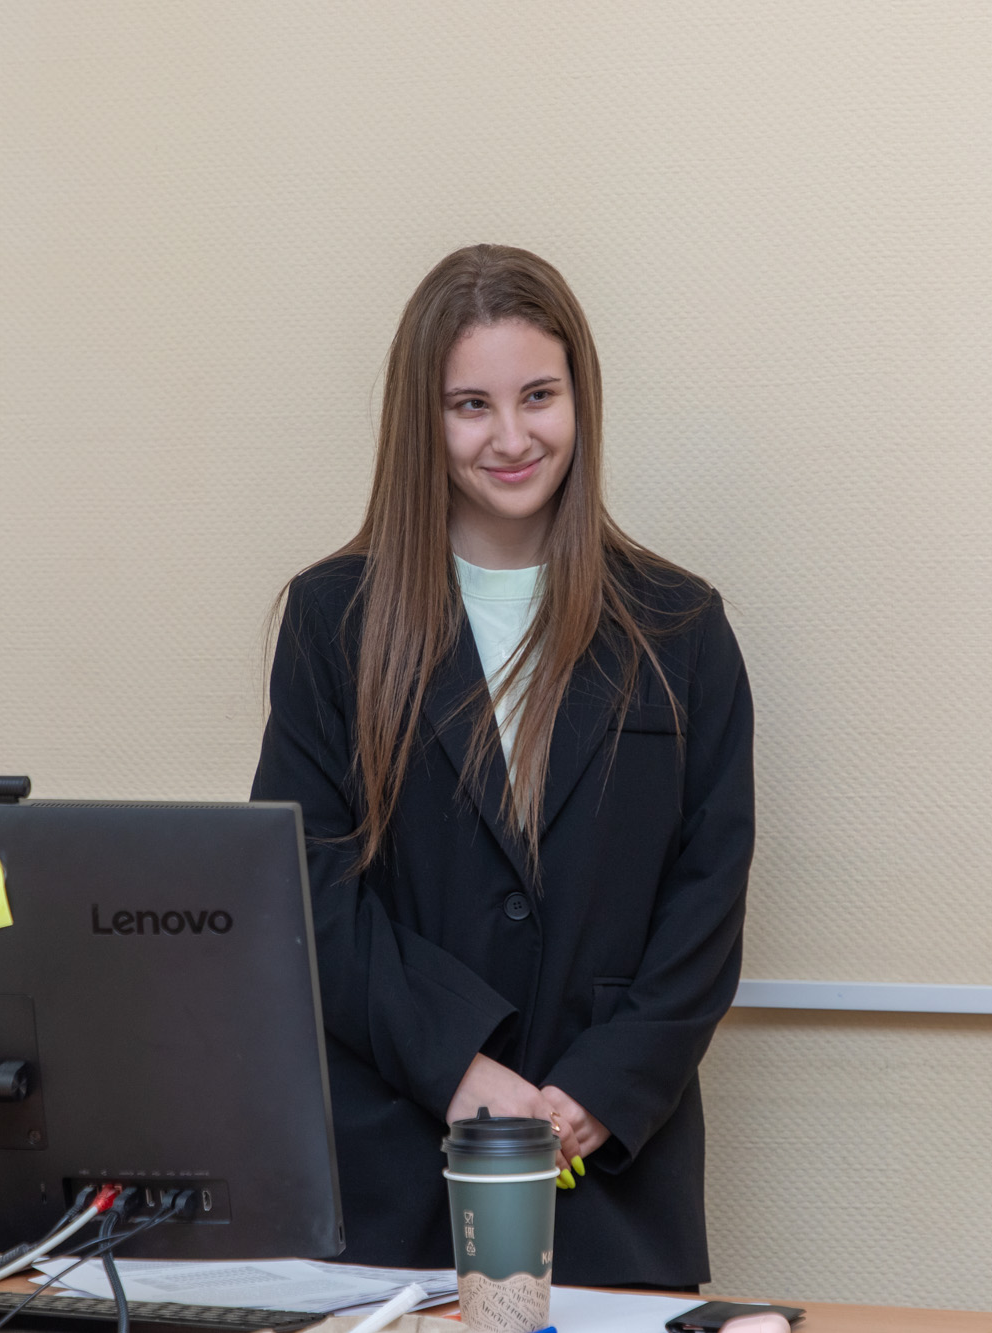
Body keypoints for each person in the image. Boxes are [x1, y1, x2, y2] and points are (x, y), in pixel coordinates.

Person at [251, 245, 754, 1290]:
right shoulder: (332, 620)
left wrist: (599, 1089)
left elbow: (707, 899)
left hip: (610, 1178)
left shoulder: (681, 626)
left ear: (581, 398)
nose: (513, 438)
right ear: (422, 421)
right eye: (470, 406)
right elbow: (305, 889)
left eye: (539, 396)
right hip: (390, 1175)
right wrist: (456, 1066)